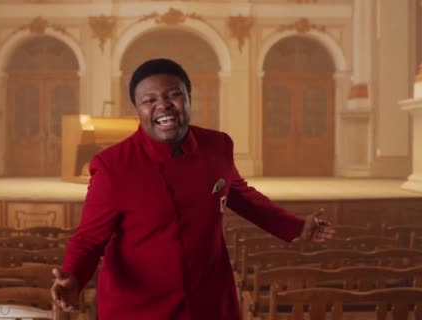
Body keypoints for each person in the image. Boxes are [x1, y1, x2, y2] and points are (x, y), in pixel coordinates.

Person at [51, 58, 335, 320]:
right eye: (149, 100)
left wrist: (296, 226)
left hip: (209, 299)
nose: (163, 105)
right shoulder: (113, 165)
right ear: (137, 110)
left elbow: (242, 196)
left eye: (173, 94)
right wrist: (74, 276)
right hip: (139, 306)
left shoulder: (217, 146)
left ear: (188, 98)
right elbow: (89, 239)